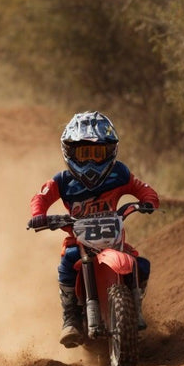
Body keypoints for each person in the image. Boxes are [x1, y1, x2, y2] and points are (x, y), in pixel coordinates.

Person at [28, 111, 159, 347]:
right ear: (70, 152)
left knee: (142, 265)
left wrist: (148, 201)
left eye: (98, 154)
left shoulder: (119, 173)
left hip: (113, 239)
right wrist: (40, 216)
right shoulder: (63, 180)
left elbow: (143, 188)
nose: (90, 161)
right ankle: (70, 318)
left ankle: (135, 307)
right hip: (78, 242)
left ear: (110, 151)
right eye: (84, 153)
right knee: (68, 261)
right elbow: (40, 197)